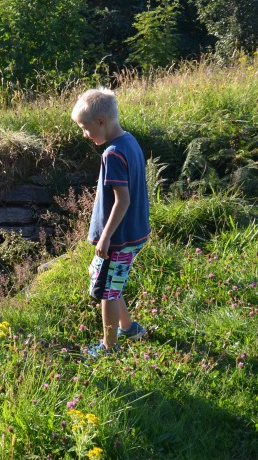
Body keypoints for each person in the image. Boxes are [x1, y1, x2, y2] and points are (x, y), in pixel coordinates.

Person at [71, 87, 150, 358]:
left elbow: (122, 201)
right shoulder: (130, 141)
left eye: (85, 128)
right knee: (111, 283)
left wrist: (105, 237)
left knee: (107, 292)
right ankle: (129, 328)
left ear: (101, 122)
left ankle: (109, 347)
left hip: (118, 238)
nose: (84, 134)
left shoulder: (112, 154)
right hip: (133, 232)